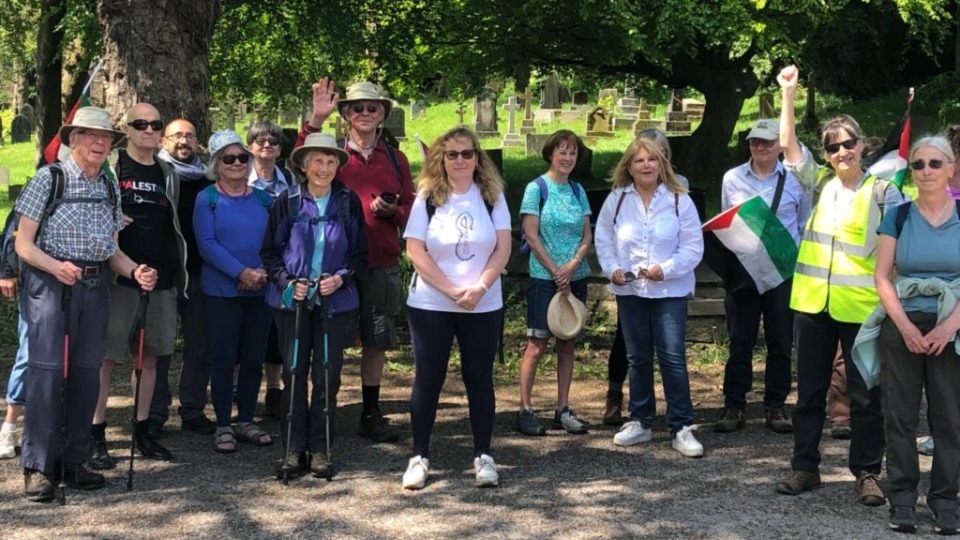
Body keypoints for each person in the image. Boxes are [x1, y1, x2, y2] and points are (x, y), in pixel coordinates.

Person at [773, 65, 904, 504]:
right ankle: (805, 468)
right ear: (826, 154)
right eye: (834, 146)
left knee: (866, 398)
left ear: (863, 146)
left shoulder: (886, 193)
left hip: (864, 310)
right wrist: (788, 94)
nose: (842, 151)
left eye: (849, 143)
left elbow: (899, 254)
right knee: (808, 393)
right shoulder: (818, 186)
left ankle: (867, 473)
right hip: (813, 306)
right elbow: (789, 146)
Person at [14, 106, 157, 502]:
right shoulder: (50, 179)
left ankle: (74, 461)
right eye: (90, 136)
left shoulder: (108, 187)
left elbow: (112, 251)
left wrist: (135, 272)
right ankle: (39, 466)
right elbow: (22, 242)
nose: (99, 143)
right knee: (46, 375)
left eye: (106, 138)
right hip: (52, 287)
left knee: (85, 375)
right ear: (73, 139)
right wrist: (54, 266)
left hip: (95, 287)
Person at [296, 78, 415, 443]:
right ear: (346, 114)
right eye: (358, 108)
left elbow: (414, 212)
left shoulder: (396, 159)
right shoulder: (333, 154)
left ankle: (370, 410)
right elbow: (301, 161)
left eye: (372, 108)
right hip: (334, 265)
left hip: (380, 261)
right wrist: (315, 119)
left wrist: (393, 212)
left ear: (382, 115)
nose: (365, 113)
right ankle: (323, 412)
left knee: (376, 339)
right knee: (328, 339)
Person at [400, 127, 511, 490]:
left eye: (467, 153)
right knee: (429, 379)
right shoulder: (428, 197)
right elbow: (416, 251)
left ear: (478, 158)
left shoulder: (492, 197)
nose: (460, 160)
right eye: (452, 154)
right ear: (441, 159)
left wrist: (480, 286)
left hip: (482, 303)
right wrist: (450, 290)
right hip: (432, 302)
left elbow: (503, 248)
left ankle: (483, 456)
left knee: (478, 379)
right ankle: (419, 456)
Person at [866, 136, 960, 534]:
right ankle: (902, 499)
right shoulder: (899, 216)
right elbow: (882, 276)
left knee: (949, 420)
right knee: (900, 418)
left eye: (935, 164)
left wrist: (950, 325)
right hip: (903, 324)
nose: (926, 171)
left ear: (952, 169)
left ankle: (945, 502)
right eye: (919, 164)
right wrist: (904, 326)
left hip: (952, 328)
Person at [260, 132, 367, 478]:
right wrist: (289, 283)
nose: (324, 168)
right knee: (293, 374)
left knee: (327, 375)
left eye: (330, 161)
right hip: (292, 302)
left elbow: (359, 257)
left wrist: (341, 278)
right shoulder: (286, 201)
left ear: (338, 165)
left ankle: (321, 449)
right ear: (304, 166)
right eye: (317, 161)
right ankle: (293, 448)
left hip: (335, 303)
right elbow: (270, 253)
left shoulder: (348, 203)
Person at [594, 137, 705, 458]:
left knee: (672, 357)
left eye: (652, 160)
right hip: (631, 291)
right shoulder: (616, 200)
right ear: (628, 166)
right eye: (639, 160)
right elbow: (603, 239)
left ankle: (681, 426)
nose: (646, 165)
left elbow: (694, 246)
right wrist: (612, 268)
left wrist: (666, 269)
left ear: (662, 165)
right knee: (637, 358)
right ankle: (640, 421)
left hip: (669, 290)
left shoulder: (678, 200)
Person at [90, 103, 185, 468]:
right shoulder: (111, 168)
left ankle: (142, 429)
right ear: (125, 130)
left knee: (149, 359)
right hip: (117, 277)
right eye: (139, 124)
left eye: (155, 124)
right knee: (105, 358)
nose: (148, 130)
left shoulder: (167, 171)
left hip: (159, 278)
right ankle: (95, 433)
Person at [714, 119, 809, 434]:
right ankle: (734, 406)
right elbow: (728, 222)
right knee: (740, 340)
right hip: (744, 270)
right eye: (755, 141)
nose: (760, 147)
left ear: (780, 145)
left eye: (768, 141)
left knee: (781, 342)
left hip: (783, 272)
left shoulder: (796, 182)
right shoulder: (732, 178)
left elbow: (802, 224)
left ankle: (776, 405)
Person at [194, 131, 273, 454]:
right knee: (224, 358)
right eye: (229, 158)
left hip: (261, 291)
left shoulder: (264, 199)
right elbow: (207, 244)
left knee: (254, 358)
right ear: (216, 164)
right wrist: (241, 272)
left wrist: (262, 273)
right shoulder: (207, 199)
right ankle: (224, 422)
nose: (238, 163)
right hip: (222, 292)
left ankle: (247, 419)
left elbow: (276, 241)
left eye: (243, 157)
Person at [515, 129, 593, 436]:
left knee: (567, 342)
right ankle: (525, 408)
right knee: (537, 344)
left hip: (576, 276)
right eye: (562, 151)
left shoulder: (578, 190)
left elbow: (587, 235)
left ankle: (563, 408)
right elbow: (531, 235)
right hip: (543, 277)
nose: (567, 158)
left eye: (573, 153)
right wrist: (555, 271)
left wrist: (572, 266)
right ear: (551, 154)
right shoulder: (536, 188)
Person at [150, 118, 216, 437]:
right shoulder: (156, 175)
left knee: (200, 346)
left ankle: (192, 409)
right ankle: (153, 412)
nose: (184, 141)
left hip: (200, 273)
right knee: (159, 347)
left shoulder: (208, 180)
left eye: (190, 135)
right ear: (164, 141)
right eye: (177, 135)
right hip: (163, 273)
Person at [247, 120, 294, 418]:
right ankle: (244, 394)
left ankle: (275, 389)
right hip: (247, 263)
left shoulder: (289, 179)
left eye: (273, 142)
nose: (267, 145)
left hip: (280, 266)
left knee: (279, 333)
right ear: (250, 145)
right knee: (250, 333)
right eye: (260, 140)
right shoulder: (237, 174)